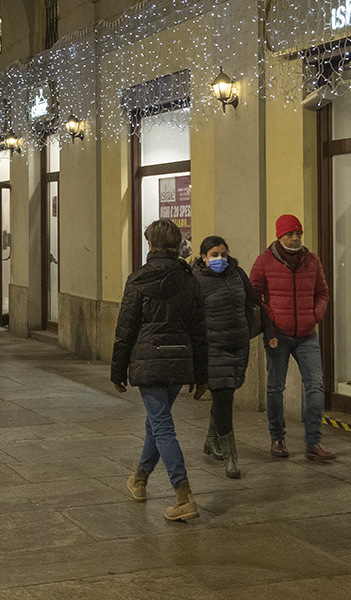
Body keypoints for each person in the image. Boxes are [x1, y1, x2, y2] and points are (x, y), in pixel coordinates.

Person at [112, 219, 208, 522]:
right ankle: (139, 479)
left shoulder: (138, 279)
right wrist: (201, 374)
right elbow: (199, 331)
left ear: (152, 244)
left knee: (162, 426)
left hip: (149, 362)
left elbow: (125, 328)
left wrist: (117, 371)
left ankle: (184, 495)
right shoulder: (189, 279)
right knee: (157, 422)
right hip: (179, 362)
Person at [250, 214, 335, 462]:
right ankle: (277, 437)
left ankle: (313, 442)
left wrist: (314, 316)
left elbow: (323, 293)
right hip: (278, 335)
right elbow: (255, 299)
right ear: (280, 236)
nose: (295, 238)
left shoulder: (313, 261)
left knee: (316, 387)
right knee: (276, 388)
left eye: (299, 233)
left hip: (307, 335)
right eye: (290, 234)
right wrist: (270, 325)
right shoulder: (264, 262)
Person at [192, 235, 260, 479]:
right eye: (214, 255)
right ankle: (231, 457)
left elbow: (253, 300)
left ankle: (211, 440)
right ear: (203, 257)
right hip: (214, 347)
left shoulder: (237, 274)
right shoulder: (196, 281)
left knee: (226, 393)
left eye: (223, 254)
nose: (220, 259)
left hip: (238, 344)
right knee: (223, 397)